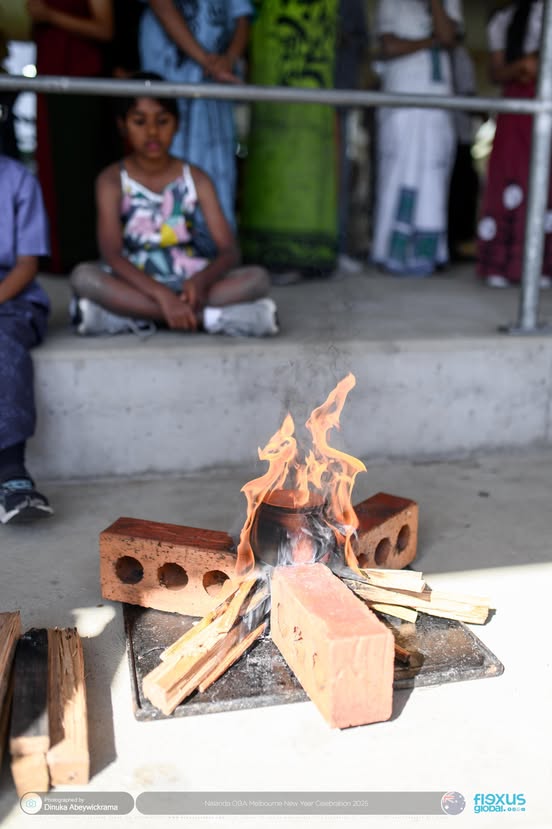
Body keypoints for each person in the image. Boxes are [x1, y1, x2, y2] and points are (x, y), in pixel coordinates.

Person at [69, 77, 278, 338]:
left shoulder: (196, 178)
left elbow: (228, 250)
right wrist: (161, 295)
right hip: (137, 281)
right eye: (139, 121)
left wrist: (201, 282)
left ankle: (129, 318)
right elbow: (112, 254)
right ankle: (205, 318)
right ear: (122, 125)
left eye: (163, 120)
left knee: (257, 279)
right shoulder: (111, 180)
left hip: (190, 282)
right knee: (84, 277)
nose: (153, 132)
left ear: (177, 124)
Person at [139, 0, 252, 254]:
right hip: (171, 84)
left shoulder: (206, 175)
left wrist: (227, 60)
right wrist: (209, 61)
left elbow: (242, 18)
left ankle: (201, 253)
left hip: (212, 94)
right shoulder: (119, 178)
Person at [372, 0, 463, 276]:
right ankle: (391, 251)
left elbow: (448, 38)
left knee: (433, 179)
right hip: (402, 97)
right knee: (397, 175)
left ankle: (428, 252)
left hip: (437, 101)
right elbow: (389, 47)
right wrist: (430, 41)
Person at [27, 0, 114, 273]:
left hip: (81, 81)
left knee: (78, 169)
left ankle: (82, 256)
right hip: (50, 76)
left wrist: (50, 15)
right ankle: (54, 252)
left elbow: (105, 29)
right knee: (52, 166)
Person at [477, 0, 552, 287]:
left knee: (546, 185)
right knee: (510, 182)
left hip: (546, 101)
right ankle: (501, 264)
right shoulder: (503, 20)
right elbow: (496, 73)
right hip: (516, 106)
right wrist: (521, 66)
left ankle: (541, 266)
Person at [0, 149, 53, 524]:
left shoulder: (17, 180)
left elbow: (26, 265)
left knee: (3, 342)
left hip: (11, 299)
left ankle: (11, 473)